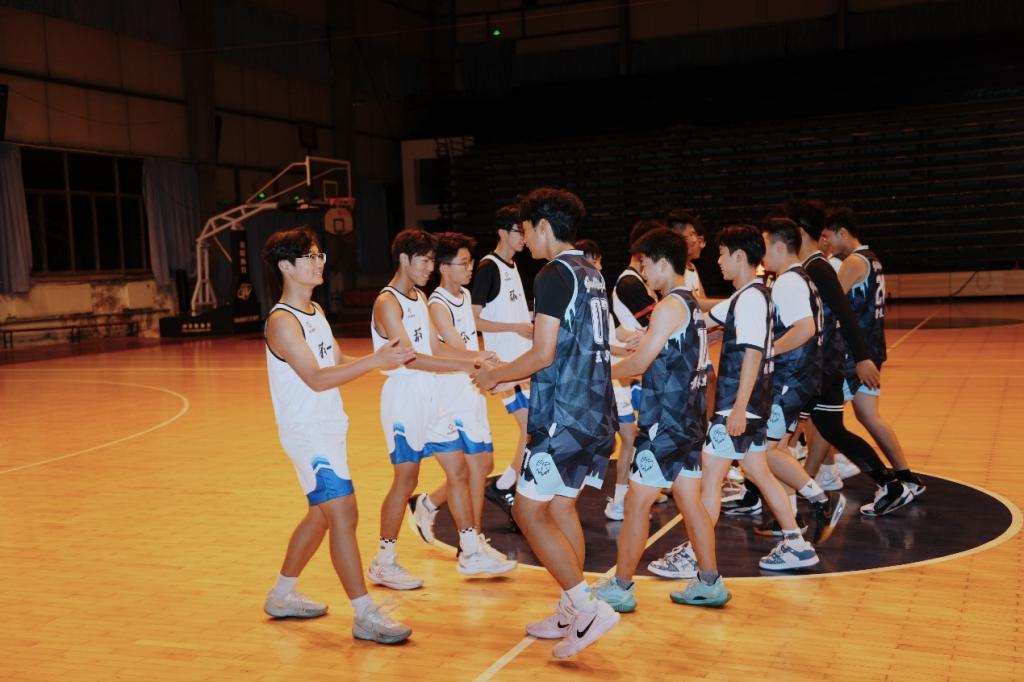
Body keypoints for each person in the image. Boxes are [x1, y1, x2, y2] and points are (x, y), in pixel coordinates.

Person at [474, 188, 620, 659]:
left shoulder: (554, 273)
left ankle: (588, 607)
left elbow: (543, 353)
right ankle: (570, 608)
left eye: (526, 229)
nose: (526, 239)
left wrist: (496, 375)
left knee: (525, 511)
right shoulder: (592, 272)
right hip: (596, 411)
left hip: (565, 416)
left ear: (543, 226)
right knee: (559, 509)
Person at [260, 226, 414, 644]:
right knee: (344, 514)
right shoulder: (283, 322)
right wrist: (375, 361)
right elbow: (315, 378)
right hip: (307, 434)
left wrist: (382, 360)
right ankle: (364, 614)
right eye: (310, 257)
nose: (319, 263)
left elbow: (336, 359)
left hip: (328, 428)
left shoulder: (315, 311)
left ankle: (282, 594)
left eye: (319, 256)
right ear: (285, 265)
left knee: (321, 514)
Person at [648, 225, 820, 577]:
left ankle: (696, 554)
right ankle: (796, 543)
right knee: (757, 469)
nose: (718, 261)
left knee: (711, 475)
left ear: (739, 257)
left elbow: (753, 354)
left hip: (738, 403)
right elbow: (703, 320)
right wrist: (651, 336)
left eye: (723, 254)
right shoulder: (748, 296)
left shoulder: (752, 299)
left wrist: (739, 408)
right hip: (751, 402)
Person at [592, 227, 730, 612]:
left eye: (646, 264)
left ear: (664, 263)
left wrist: (598, 375)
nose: (643, 272)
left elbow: (640, 363)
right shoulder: (688, 303)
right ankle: (709, 582)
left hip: (666, 423)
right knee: (689, 500)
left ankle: (620, 586)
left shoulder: (670, 305)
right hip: (689, 419)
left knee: (637, 503)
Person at [369, 229, 511, 591]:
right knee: (406, 480)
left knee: (459, 469)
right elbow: (411, 359)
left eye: (433, 260)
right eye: (424, 260)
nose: (430, 268)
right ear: (404, 259)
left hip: (430, 393)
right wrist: (468, 365)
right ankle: (383, 561)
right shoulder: (388, 302)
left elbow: (435, 347)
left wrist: (475, 357)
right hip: (404, 395)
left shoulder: (418, 297)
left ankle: (470, 551)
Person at [785, 200, 914, 517]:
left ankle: (809, 482)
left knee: (816, 424)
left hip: (842, 356)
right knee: (837, 423)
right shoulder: (858, 260)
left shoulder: (828, 266)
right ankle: (893, 478)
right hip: (847, 354)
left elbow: (842, 312)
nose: (827, 241)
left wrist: (860, 355)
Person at [406, 232, 517, 572]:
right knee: (474, 467)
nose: (470, 269)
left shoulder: (465, 295)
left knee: (482, 465)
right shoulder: (437, 304)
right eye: (464, 263)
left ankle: (428, 504)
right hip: (451, 391)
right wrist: (487, 365)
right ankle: (471, 544)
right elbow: (452, 348)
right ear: (444, 267)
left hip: (470, 386)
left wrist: (488, 365)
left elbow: (468, 345)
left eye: (470, 262)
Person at [822, 207, 926, 497]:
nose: (826, 243)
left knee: (824, 420)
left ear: (842, 232)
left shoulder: (853, 262)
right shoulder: (872, 259)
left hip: (855, 355)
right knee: (869, 416)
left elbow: (829, 303)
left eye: (828, 236)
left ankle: (822, 475)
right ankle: (906, 476)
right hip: (872, 350)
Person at [753, 218, 845, 543]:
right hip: (801, 379)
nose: (761, 255)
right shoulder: (800, 277)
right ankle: (789, 520)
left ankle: (820, 499)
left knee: (764, 453)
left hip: (789, 380)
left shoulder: (788, 282)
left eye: (764, 247)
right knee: (780, 450)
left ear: (779, 246)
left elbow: (805, 328)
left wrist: (768, 351)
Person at [472, 206, 534, 520]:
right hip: (505, 367)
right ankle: (507, 488)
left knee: (533, 430)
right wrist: (515, 328)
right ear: (502, 233)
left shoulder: (513, 266)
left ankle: (507, 485)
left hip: (522, 363)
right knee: (531, 430)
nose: (523, 236)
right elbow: (474, 319)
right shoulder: (488, 267)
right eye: (518, 231)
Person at [576, 238, 642, 522]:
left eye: (599, 261)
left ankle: (619, 500)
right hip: (598, 380)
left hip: (614, 378)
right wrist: (625, 350)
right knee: (601, 443)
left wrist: (634, 340)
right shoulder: (581, 300)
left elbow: (614, 333)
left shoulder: (600, 295)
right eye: (594, 262)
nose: (599, 267)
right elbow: (597, 344)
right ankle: (562, 495)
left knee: (627, 437)